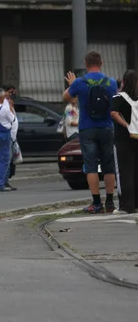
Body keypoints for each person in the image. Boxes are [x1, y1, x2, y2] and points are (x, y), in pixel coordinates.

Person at [64, 51, 118, 214]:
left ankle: (96, 203)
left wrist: (72, 84)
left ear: (86, 64)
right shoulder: (111, 83)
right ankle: (110, 202)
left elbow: (66, 97)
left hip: (87, 128)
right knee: (109, 166)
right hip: (107, 127)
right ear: (101, 62)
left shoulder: (80, 82)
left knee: (91, 166)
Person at [111, 69, 138, 214]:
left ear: (124, 82)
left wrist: (126, 125)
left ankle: (125, 206)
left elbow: (113, 113)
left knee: (123, 172)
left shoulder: (118, 98)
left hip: (123, 140)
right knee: (136, 172)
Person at [2, 84, 19, 190]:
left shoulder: (9, 104)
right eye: (10, 92)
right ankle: (4, 181)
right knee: (6, 160)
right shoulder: (4, 104)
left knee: (9, 160)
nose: (12, 95)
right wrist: (10, 106)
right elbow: (10, 118)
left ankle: (5, 180)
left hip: (12, 136)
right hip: (7, 136)